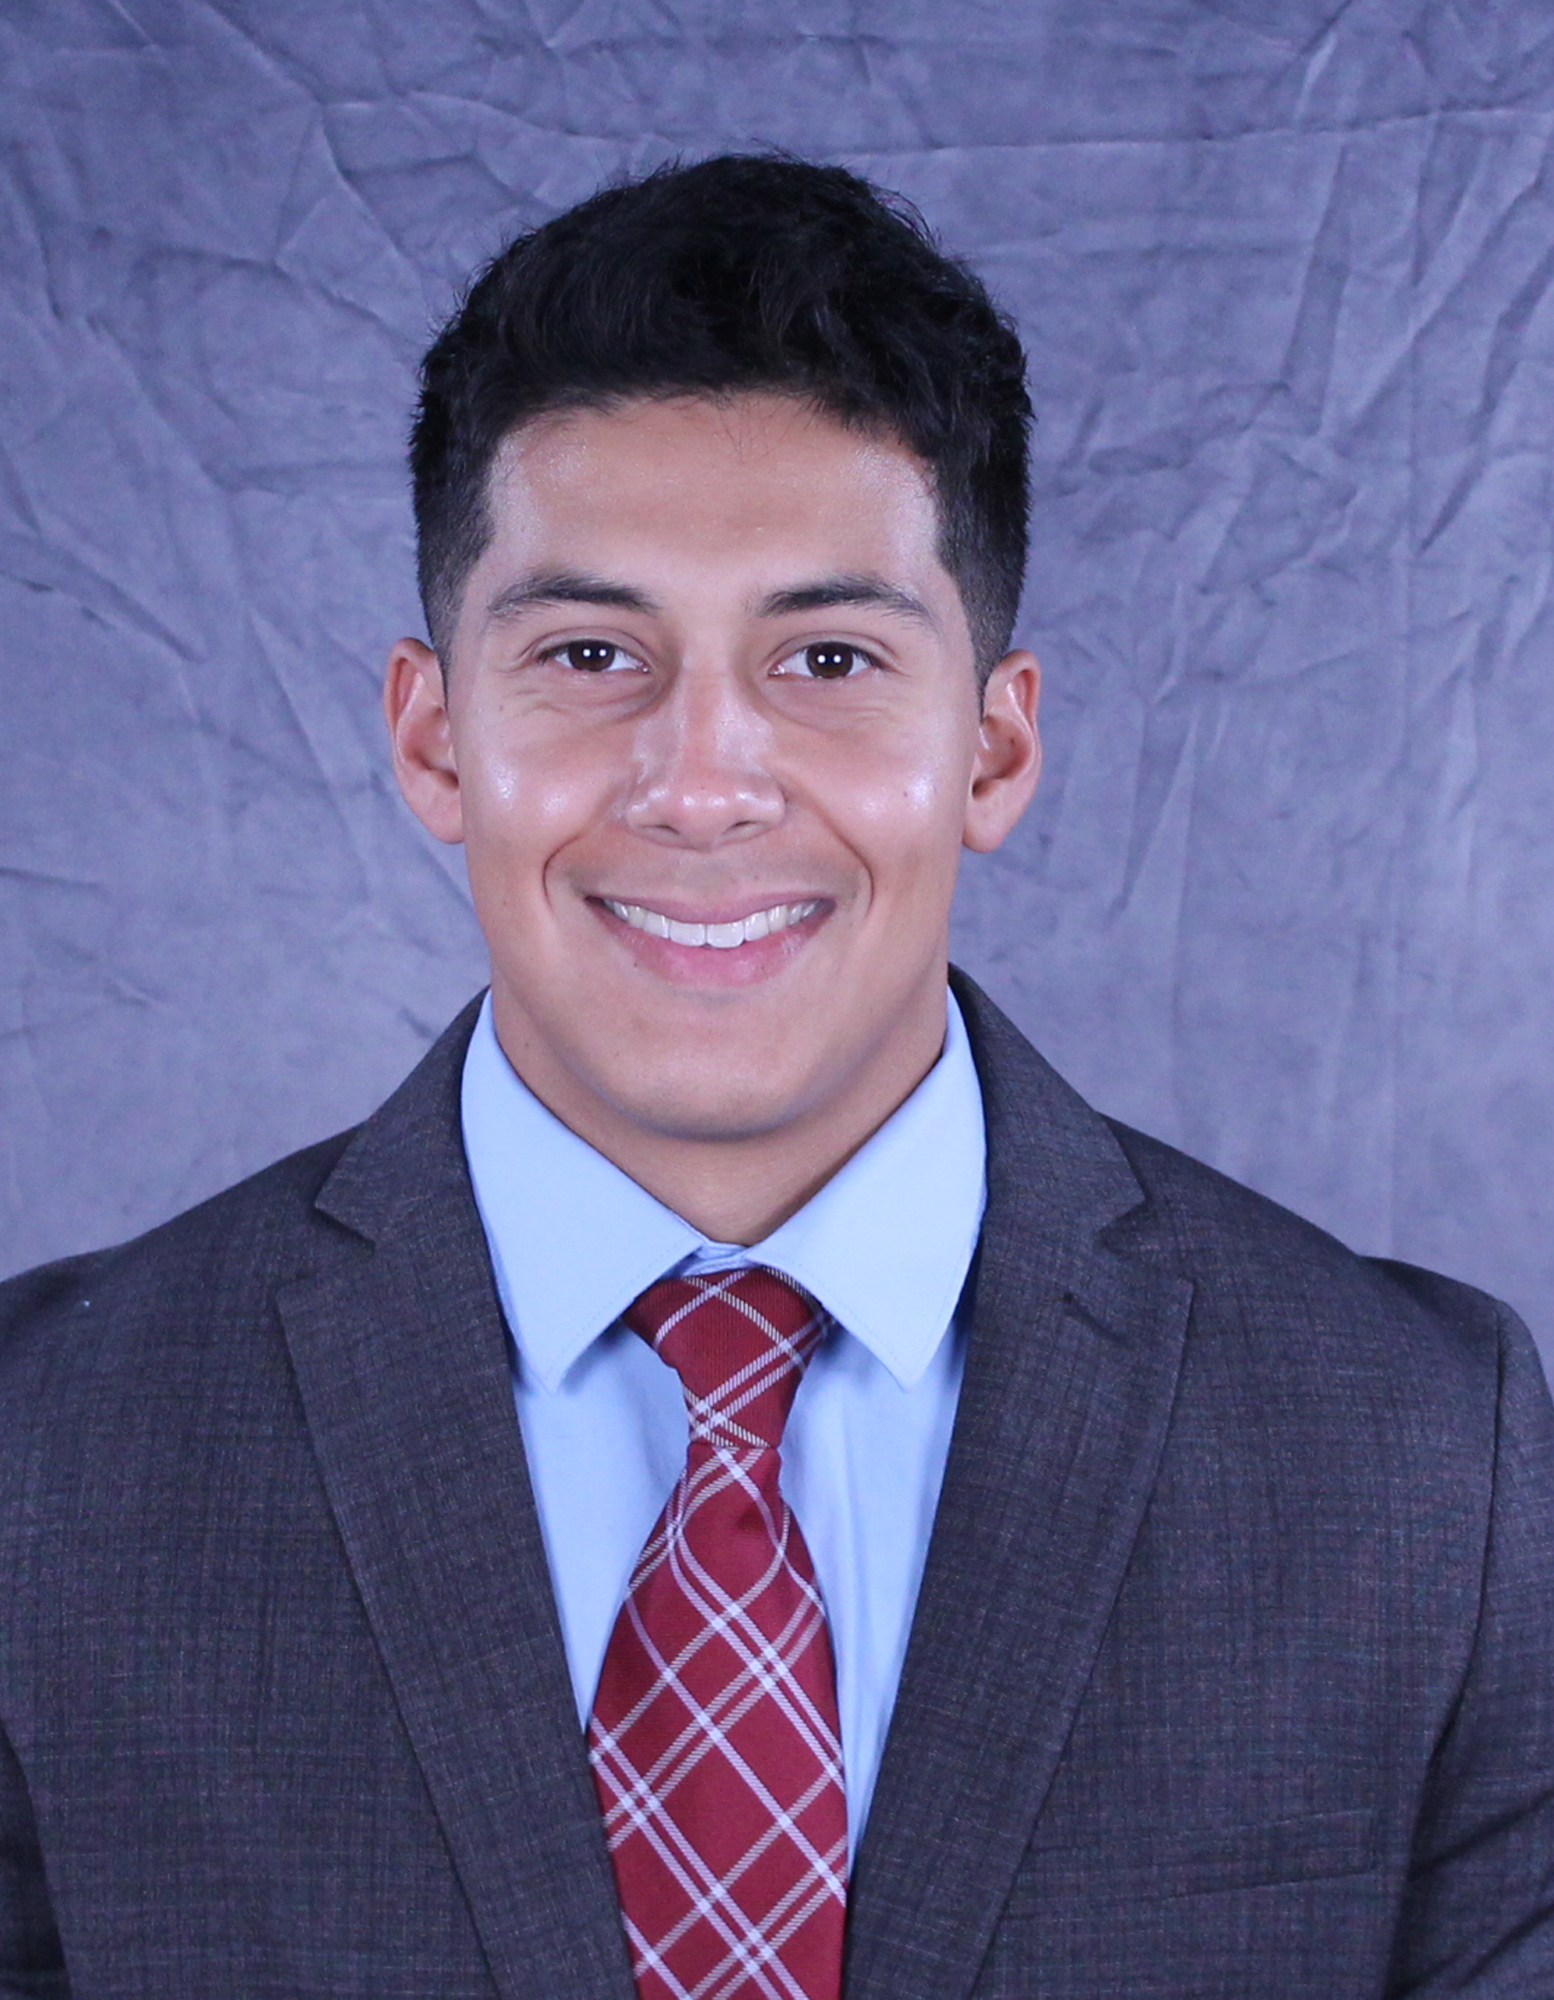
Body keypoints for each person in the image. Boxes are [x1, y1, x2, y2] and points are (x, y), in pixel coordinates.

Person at [1, 154, 1550, 2000]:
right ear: (434, 740)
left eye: (826, 656)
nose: (703, 784)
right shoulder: (48, 1452)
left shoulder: (1419, 1458)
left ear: (990, 749)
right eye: (590, 651)